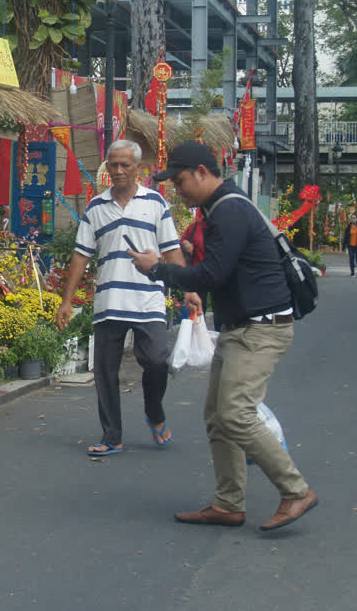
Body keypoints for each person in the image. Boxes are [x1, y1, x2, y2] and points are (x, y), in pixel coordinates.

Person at [129, 141, 318, 531]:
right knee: (217, 417)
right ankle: (228, 503)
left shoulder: (229, 209)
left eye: (180, 181)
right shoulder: (221, 207)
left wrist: (157, 269)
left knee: (234, 413)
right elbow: (222, 269)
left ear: (202, 172)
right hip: (242, 327)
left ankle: (295, 490)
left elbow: (211, 276)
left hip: (260, 330)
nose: (178, 190)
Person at [55, 139, 186, 456]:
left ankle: (154, 412)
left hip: (149, 302)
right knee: (105, 372)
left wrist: (189, 290)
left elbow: (172, 251)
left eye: (124, 164)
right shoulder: (95, 208)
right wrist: (66, 300)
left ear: (137, 168)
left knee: (156, 361)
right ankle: (111, 435)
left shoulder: (155, 203)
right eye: (112, 164)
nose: (117, 170)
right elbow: (80, 256)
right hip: (109, 302)